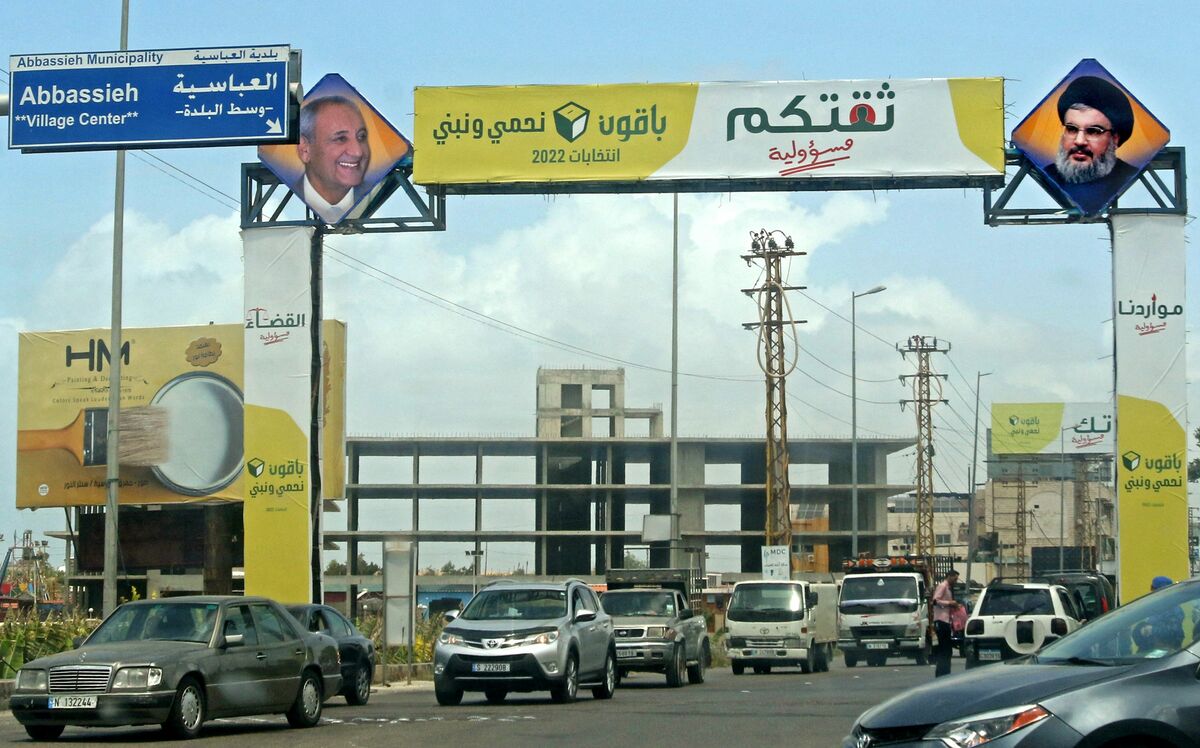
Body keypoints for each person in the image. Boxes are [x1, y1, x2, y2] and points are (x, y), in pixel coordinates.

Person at [1042, 75, 1140, 215]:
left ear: (1115, 138)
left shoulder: (1126, 175)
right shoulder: (1047, 174)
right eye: (1072, 129)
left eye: (1093, 131)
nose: (1080, 141)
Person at [291, 95, 372, 224]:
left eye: (361, 137)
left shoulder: (372, 192)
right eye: (341, 139)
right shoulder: (292, 195)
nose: (357, 152)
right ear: (305, 150)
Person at [1132, 575, 1184, 654]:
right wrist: (1140, 630)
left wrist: (1152, 630)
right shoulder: (1151, 607)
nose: (1152, 591)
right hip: (1149, 651)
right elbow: (1137, 630)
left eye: (1154, 589)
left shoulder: (1174, 609)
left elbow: (1174, 631)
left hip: (1166, 652)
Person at [931, 569, 961, 677]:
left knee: (947, 649)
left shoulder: (948, 588)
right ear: (949, 576)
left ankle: (945, 672)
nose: (956, 581)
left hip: (946, 620)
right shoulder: (943, 586)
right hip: (941, 620)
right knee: (945, 649)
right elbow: (935, 601)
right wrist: (949, 603)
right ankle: (942, 673)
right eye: (955, 578)